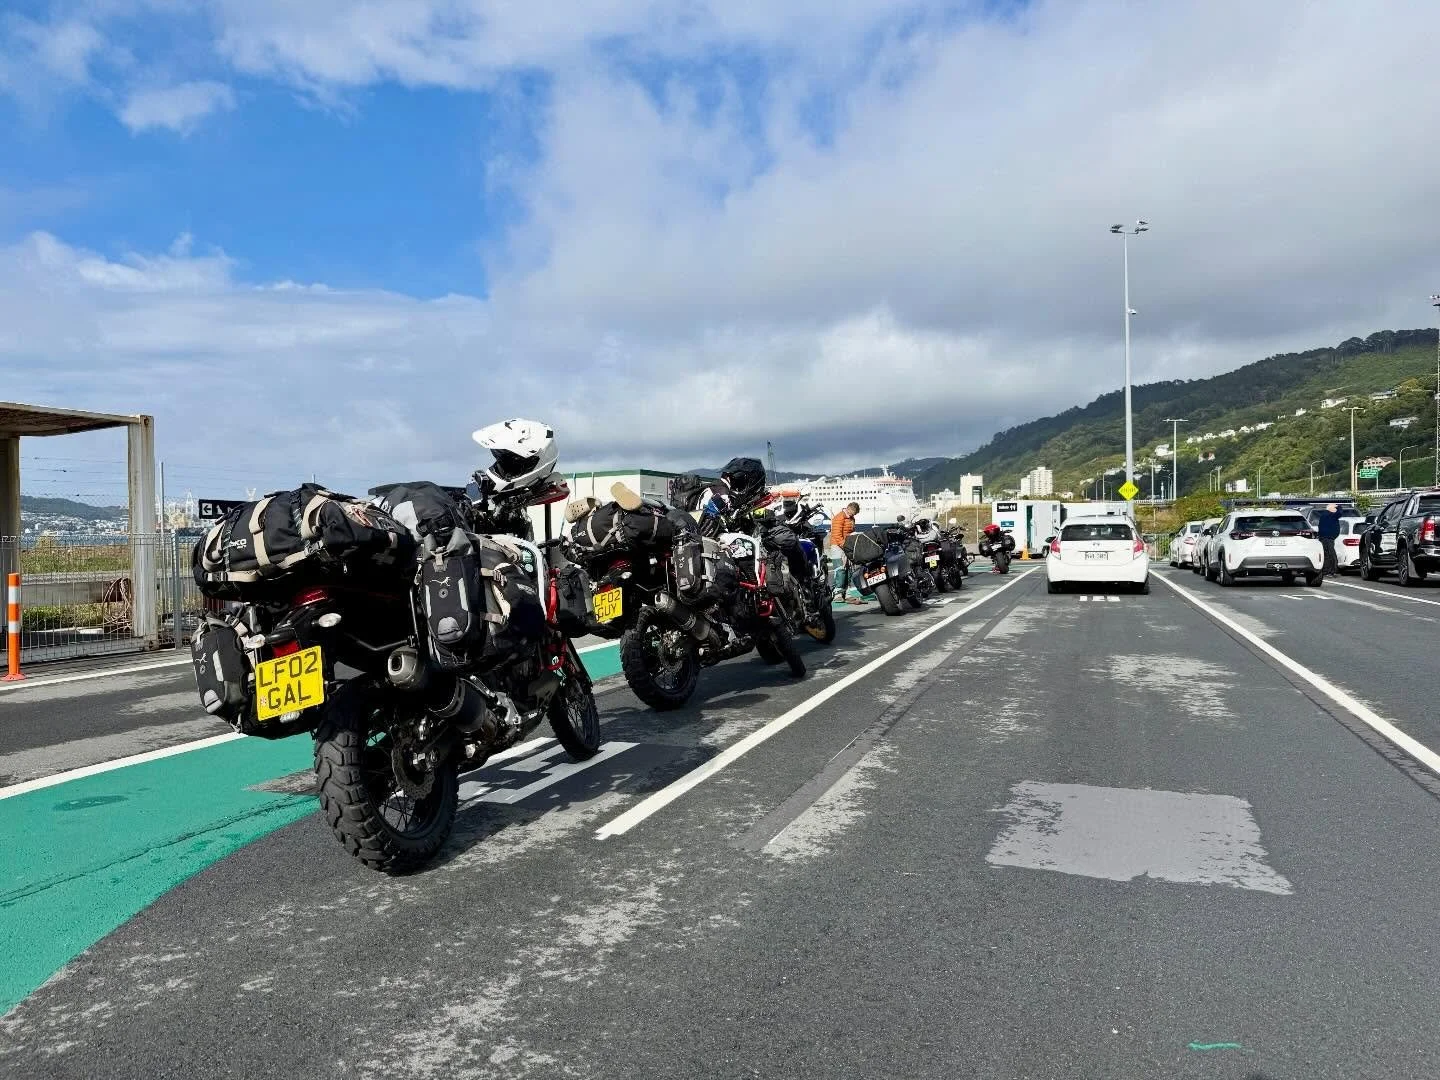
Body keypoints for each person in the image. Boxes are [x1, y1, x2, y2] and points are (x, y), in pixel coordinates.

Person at [829, 502, 862, 603]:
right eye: (853, 513)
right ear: (849, 509)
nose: (853, 515)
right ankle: (837, 594)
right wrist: (845, 545)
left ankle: (847, 593)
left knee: (848, 570)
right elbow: (837, 534)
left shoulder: (851, 519)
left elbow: (851, 532)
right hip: (837, 546)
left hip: (846, 546)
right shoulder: (839, 518)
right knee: (840, 569)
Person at [1316, 501, 1341, 576]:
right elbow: (1340, 513)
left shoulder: (1324, 515)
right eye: (1334, 508)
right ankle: (1332, 570)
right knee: (1331, 554)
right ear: (1331, 509)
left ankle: (1326, 570)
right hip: (1328, 538)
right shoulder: (1330, 515)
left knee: (1326, 554)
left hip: (1324, 537)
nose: (1336, 509)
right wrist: (1339, 506)